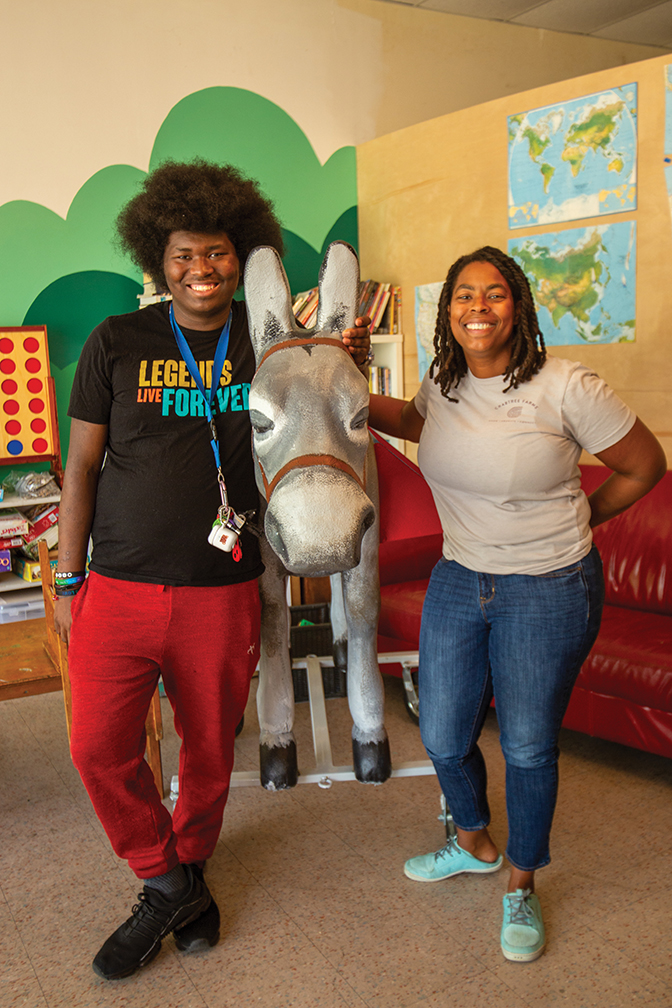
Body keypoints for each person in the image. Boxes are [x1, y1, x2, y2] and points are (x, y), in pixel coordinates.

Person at [54, 159, 372, 981]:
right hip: (118, 584)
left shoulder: (273, 348)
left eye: (219, 252)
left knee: (207, 751)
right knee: (96, 747)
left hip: (222, 590)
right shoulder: (117, 341)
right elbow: (80, 468)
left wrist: (349, 351)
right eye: (184, 254)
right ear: (158, 261)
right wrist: (66, 578)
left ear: (244, 256)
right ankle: (169, 885)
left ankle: (188, 863)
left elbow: (326, 384)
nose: (202, 268)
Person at [368, 246, 665, 962]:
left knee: (528, 745)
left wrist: (585, 518)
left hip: (549, 586)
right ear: (449, 312)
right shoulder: (443, 384)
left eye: (494, 294)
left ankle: (521, 881)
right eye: (464, 295)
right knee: (442, 733)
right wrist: (334, 384)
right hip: (459, 576)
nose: (478, 307)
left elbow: (644, 464)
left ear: (519, 306)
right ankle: (473, 840)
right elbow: (412, 420)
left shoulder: (566, 386)